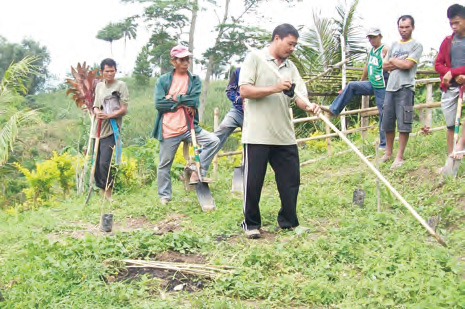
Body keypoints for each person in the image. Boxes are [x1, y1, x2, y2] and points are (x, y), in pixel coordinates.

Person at [238, 23, 321, 239]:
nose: (292, 48)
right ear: (277, 38)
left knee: (290, 181)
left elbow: (300, 97)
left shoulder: (290, 68)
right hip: (257, 134)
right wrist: (275, 87)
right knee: (253, 182)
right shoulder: (255, 59)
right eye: (290, 43)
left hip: (284, 135)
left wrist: (310, 106)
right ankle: (251, 223)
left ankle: (288, 222)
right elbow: (245, 90)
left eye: (295, 45)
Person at [152, 45, 220, 205]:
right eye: (182, 59)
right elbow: (159, 104)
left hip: (189, 127)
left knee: (213, 141)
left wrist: (174, 98)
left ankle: (198, 170)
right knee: (164, 164)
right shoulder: (163, 80)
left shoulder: (194, 79)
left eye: (187, 59)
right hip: (169, 129)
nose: (185, 62)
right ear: (173, 61)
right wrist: (182, 102)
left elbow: (194, 101)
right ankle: (165, 195)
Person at [326, 27, 389, 149]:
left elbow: (390, 64)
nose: (372, 40)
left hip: (382, 86)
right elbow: (366, 65)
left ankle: (384, 144)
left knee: (384, 113)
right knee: (352, 85)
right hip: (372, 83)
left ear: (380, 37)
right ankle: (334, 109)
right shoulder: (371, 51)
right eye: (369, 38)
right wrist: (361, 80)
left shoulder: (385, 49)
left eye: (374, 37)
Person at [380, 15, 423, 169]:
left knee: (404, 122)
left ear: (413, 27)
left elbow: (408, 65)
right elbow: (384, 65)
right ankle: (388, 153)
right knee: (388, 121)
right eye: (401, 27)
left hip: (406, 88)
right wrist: (395, 63)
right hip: (391, 88)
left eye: (407, 27)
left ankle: (399, 156)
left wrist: (393, 62)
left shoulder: (416, 45)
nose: (403, 30)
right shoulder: (394, 45)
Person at [92, 58, 129, 201]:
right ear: (101, 72)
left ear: (115, 71)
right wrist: (97, 112)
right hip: (97, 129)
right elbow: (95, 106)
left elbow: (124, 109)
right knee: (95, 162)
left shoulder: (121, 85)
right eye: (107, 71)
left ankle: (108, 192)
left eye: (112, 71)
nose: (110, 74)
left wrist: (109, 115)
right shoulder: (99, 86)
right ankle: (101, 191)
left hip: (111, 129)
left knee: (105, 162)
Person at [435, 4, 465, 160]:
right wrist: (452, 76)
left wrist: (453, 72)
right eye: (451, 23)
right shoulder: (448, 41)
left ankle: (459, 148)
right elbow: (438, 64)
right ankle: (451, 158)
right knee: (450, 125)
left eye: (457, 22)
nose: (454, 26)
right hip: (450, 87)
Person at [214, 67, 244, 151]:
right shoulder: (239, 71)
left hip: (254, 114)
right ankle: (200, 159)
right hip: (237, 110)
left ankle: (246, 164)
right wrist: (239, 99)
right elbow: (229, 90)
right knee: (221, 130)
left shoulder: (262, 72)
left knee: (250, 144)